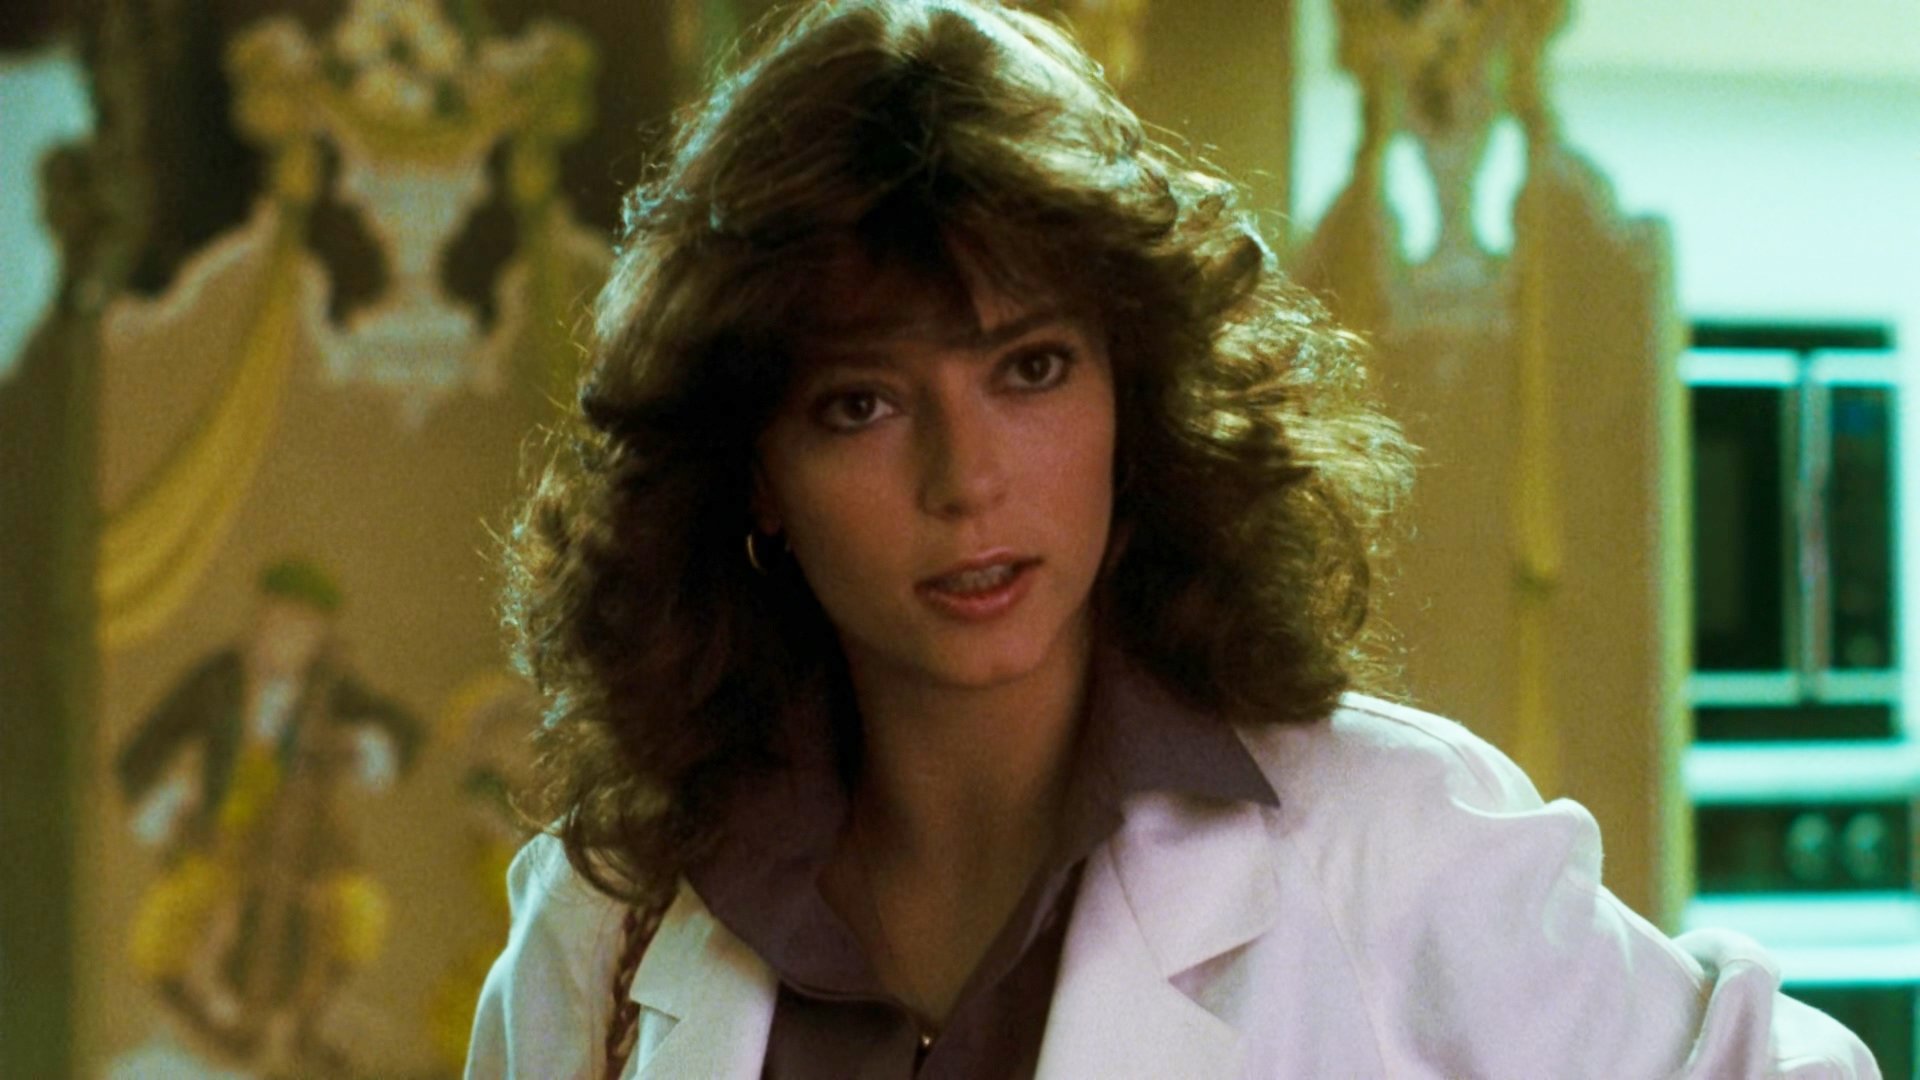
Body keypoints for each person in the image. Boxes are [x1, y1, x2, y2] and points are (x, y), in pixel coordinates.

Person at [468, 1, 1879, 1076]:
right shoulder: (603, 931)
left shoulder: (1383, 843)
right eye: (862, 403)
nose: (967, 479)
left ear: (1130, 397)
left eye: (1030, 369)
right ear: (756, 473)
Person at [119, 558, 420, 1071]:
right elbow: (141, 750)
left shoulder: (331, 686)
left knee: (360, 910)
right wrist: (168, 799)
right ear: (259, 618)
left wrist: (361, 746)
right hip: (221, 835)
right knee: (159, 928)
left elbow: (403, 729)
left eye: (301, 628)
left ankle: (309, 1018)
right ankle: (208, 1024)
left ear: (319, 636)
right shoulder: (216, 679)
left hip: (309, 846)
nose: (283, 638)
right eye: (276, 622)